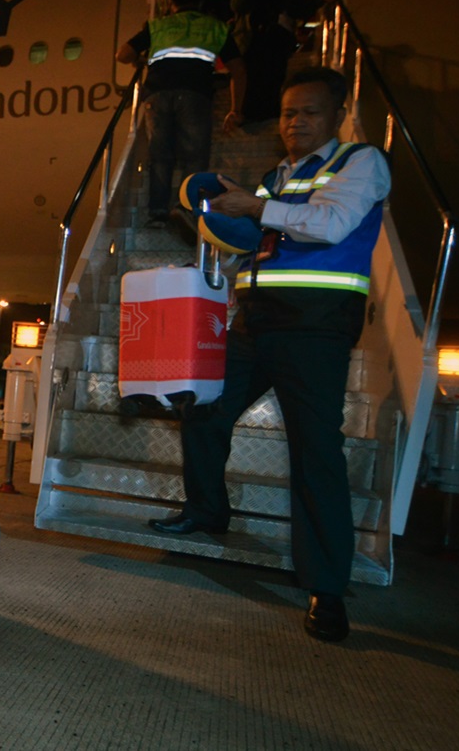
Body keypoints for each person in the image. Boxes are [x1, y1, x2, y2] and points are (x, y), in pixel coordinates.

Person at [149, 67, 391, 644]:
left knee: (316, 452)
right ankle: (209, 511)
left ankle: (326, 588)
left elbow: (329, 225)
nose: (295, 122)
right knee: (203, 407)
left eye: (308, 111)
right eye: (286, 113)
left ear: (337, 113)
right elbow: (253, 245)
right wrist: (214, 253)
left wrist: (257, 209)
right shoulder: (274, 176)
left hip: (316, 328)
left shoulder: (360, 163)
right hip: (255, 322)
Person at [117, 0, 246, 227]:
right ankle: (186, 208)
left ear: (173, 2)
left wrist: (142, 61)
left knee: (160, 156)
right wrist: (235, 110)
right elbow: (239, 70)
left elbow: (122, 54)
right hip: (195, 93)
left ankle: (157, 213)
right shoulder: (216, 27)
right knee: (194, 156)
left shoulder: (158, 26)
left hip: (157, 94)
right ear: (200, 2)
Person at [233, 0, 307, 122]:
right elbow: (238, 5)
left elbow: (300, 7)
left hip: (276, 39)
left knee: (273, 76)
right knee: (252, 77)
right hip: (252, 41)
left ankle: (270, 111)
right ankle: (249, 113)